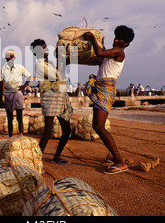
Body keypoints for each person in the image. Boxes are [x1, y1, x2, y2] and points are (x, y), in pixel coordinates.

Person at [84, 25, 135, 174]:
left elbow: (99, 52)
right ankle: (116, 158)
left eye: (120, 39)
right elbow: (100, 55)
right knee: (97, 126)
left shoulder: (119, 52)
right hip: (101, 88)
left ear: (125, 44)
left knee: (99, 127)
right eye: (116, 37)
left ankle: (120, 161)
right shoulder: (111, 53)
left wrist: (93, 38)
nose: (116, 40)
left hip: (106, 90)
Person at [30, 39, 73, 164]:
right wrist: (62, 59)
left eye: (45, 47)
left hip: (60, 96)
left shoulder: (48, 63)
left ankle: (57, 156)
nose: (46, 50)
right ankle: (36, 159)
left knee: (67, 130)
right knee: (48, 130)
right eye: (43, 48)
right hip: (50, 97)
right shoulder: (40, 64)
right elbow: (57, 76)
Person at [0, 50, 31, 137]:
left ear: (13, 58)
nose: (9, 59)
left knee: (19, 117)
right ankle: (10, 136)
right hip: (8, 94)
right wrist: (1, 99)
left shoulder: (20, 67)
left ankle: (21, 135)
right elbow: (0, 84)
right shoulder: (2, 69)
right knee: (9, 118)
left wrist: (24, 86)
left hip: (18, 93)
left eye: (10, 57)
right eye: (7, 57)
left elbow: (29, 76)